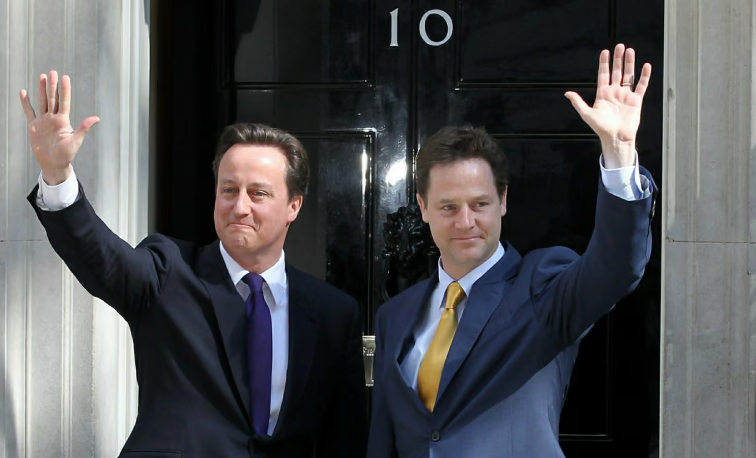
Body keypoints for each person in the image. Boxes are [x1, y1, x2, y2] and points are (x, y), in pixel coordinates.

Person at [19, 73, 367, 458]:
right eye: (229, 190)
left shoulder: (334, 314)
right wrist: (57, 174)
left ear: (293, 206)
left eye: (259, 194)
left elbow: (344, 439)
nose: (240, 207)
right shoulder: (168, 272)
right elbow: (100, 257)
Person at [366, 44, 657, 458]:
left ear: (503, 201)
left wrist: (619, 153)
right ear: (424, 208)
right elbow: (385, 439)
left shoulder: (542, 285)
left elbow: (616, 269)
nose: (464, 222)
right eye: (448, 207)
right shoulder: (394, 315)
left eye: (479, 204)